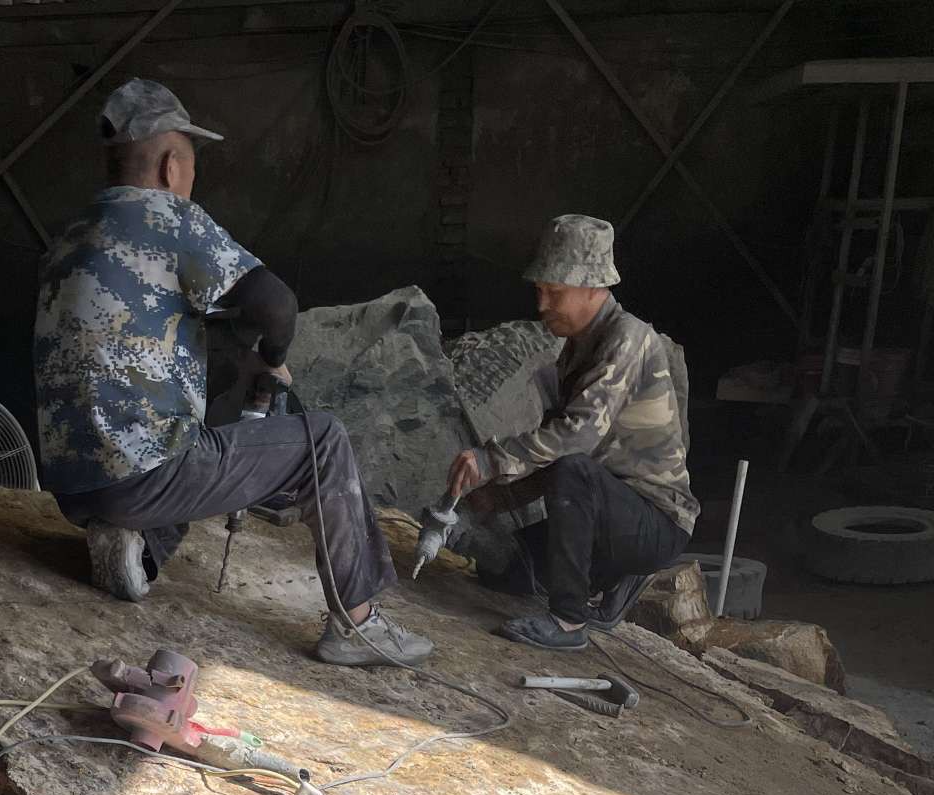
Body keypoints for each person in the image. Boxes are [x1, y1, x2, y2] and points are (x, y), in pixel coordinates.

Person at [34, 78, 432, 667]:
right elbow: (277, 303)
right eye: (192, 165)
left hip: (73, 483)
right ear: (171, 166)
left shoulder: (70, 234)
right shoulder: (171, 219)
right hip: (142, 477)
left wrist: (236, 359)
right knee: (324, 439)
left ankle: (135, 548)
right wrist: (273, 355)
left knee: (199, 414)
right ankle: (359, 623)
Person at [444, 214, 698, 652]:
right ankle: (614, 576)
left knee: (573, 470)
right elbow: (560, 454)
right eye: (540, 290)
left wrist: (491, 460)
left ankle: (567, 622)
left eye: (555, 292)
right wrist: (500, 498)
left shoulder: (628, 340)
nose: (542, 305)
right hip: (605, 511)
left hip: (655, 519)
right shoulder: (578, 346)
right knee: (505, 572)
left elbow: (575, 443)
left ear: (594, 288)